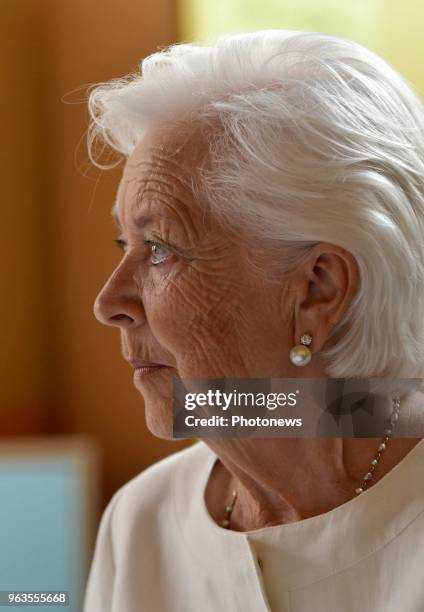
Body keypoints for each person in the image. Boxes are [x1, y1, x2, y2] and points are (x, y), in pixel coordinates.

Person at [83, 30, 424, 611]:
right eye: (125, 242)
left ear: (319, 288)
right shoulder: (141, 522)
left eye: (162, 248)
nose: (109, 301)